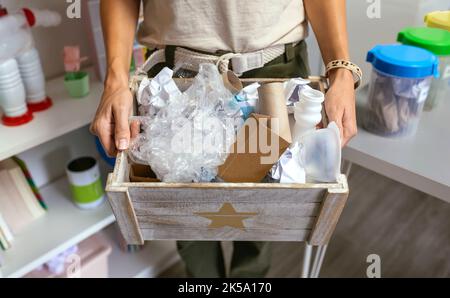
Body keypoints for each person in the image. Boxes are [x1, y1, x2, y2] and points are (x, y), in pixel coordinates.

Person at [91, 0, 359, 278]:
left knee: (264, 212)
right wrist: (116, 81)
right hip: (180, 74)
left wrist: (340, 67)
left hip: (275, 71)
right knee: (188, 215)